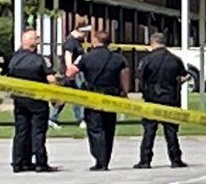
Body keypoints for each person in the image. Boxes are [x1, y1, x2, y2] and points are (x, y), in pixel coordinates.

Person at [6, 29, 59, 173]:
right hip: (37, 100)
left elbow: (8, 78)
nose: (38, 41)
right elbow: (51, 79)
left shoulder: (14, 59)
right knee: (38, 131)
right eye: (36, 39)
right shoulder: (40, 59)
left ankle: (19, 162)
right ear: (32, 43)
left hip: (20, 99)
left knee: (21, 131)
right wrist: (55, 97)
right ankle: (41, 162)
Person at [75, 29, 129, 171]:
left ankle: (100, 159)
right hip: (111, 96)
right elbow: (124, 75)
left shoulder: (86, 57)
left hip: (92, 97)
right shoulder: (118, 58)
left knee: (95, 129)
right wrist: (125, 92)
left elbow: (72, 72)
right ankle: (105, 159)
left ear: (95, 41)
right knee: (109, 128)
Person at [133, 32, 189, 169]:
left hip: (151, 98)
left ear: (152, 42)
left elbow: (140, 77)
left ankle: (145, 160)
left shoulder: (147, 60)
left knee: (149, 131)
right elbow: (184, 76)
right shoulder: (175, 59)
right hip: (170, 98)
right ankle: (175, 160)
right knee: (171, 131)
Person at [49, 26, 88, 130]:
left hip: (74, 73)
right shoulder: (71, 42)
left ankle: (53, 118)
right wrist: (70, 72)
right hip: (71, 73)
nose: (86, 35)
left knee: (68, 96)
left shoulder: (76, 41)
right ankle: (79, 119)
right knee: (74, 96)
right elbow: (68, 57)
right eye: (86, 33)